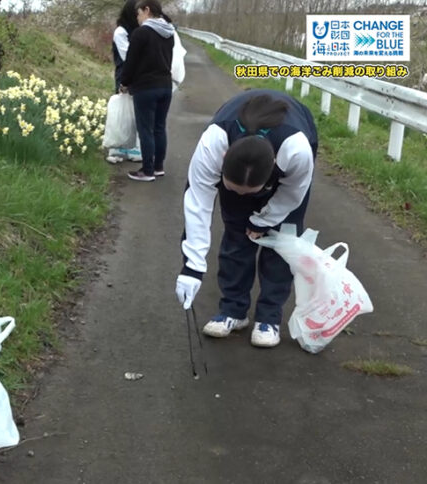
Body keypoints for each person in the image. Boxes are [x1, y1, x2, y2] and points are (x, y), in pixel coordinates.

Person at [175, 89, 318, 348]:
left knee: (282, 241)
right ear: (222, 161)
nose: (241, 195)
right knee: (236, 232)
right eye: (232, 188)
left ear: (274, 171)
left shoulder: (296, 151)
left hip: (288, 168)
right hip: (239, 160)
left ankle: (269, 318)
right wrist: (192, 267)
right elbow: (197, 203)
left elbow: (292, 194)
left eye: (249, 192)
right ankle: (233, 311)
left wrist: (263, 221)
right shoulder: (214, 143)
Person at [118, 0, 175, 182]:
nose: (137, 17)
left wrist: (124, 82)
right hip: (166, 86)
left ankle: (147, 171)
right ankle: (158, 167)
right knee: (159, 127)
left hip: (146, 87)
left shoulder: (141, 33)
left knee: (146, 130)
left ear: (147, 10)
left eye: (139, 13)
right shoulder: (169, 33)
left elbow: (131, 62)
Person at [106, 1, 143, 164]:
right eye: (136, 13)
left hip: (139, 76)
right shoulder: (121, 32)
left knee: (135, 114)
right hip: (125, 75)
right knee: (121, 114)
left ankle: (134, 149)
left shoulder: (139, 31)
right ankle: (116, 148)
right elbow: (128, 56)